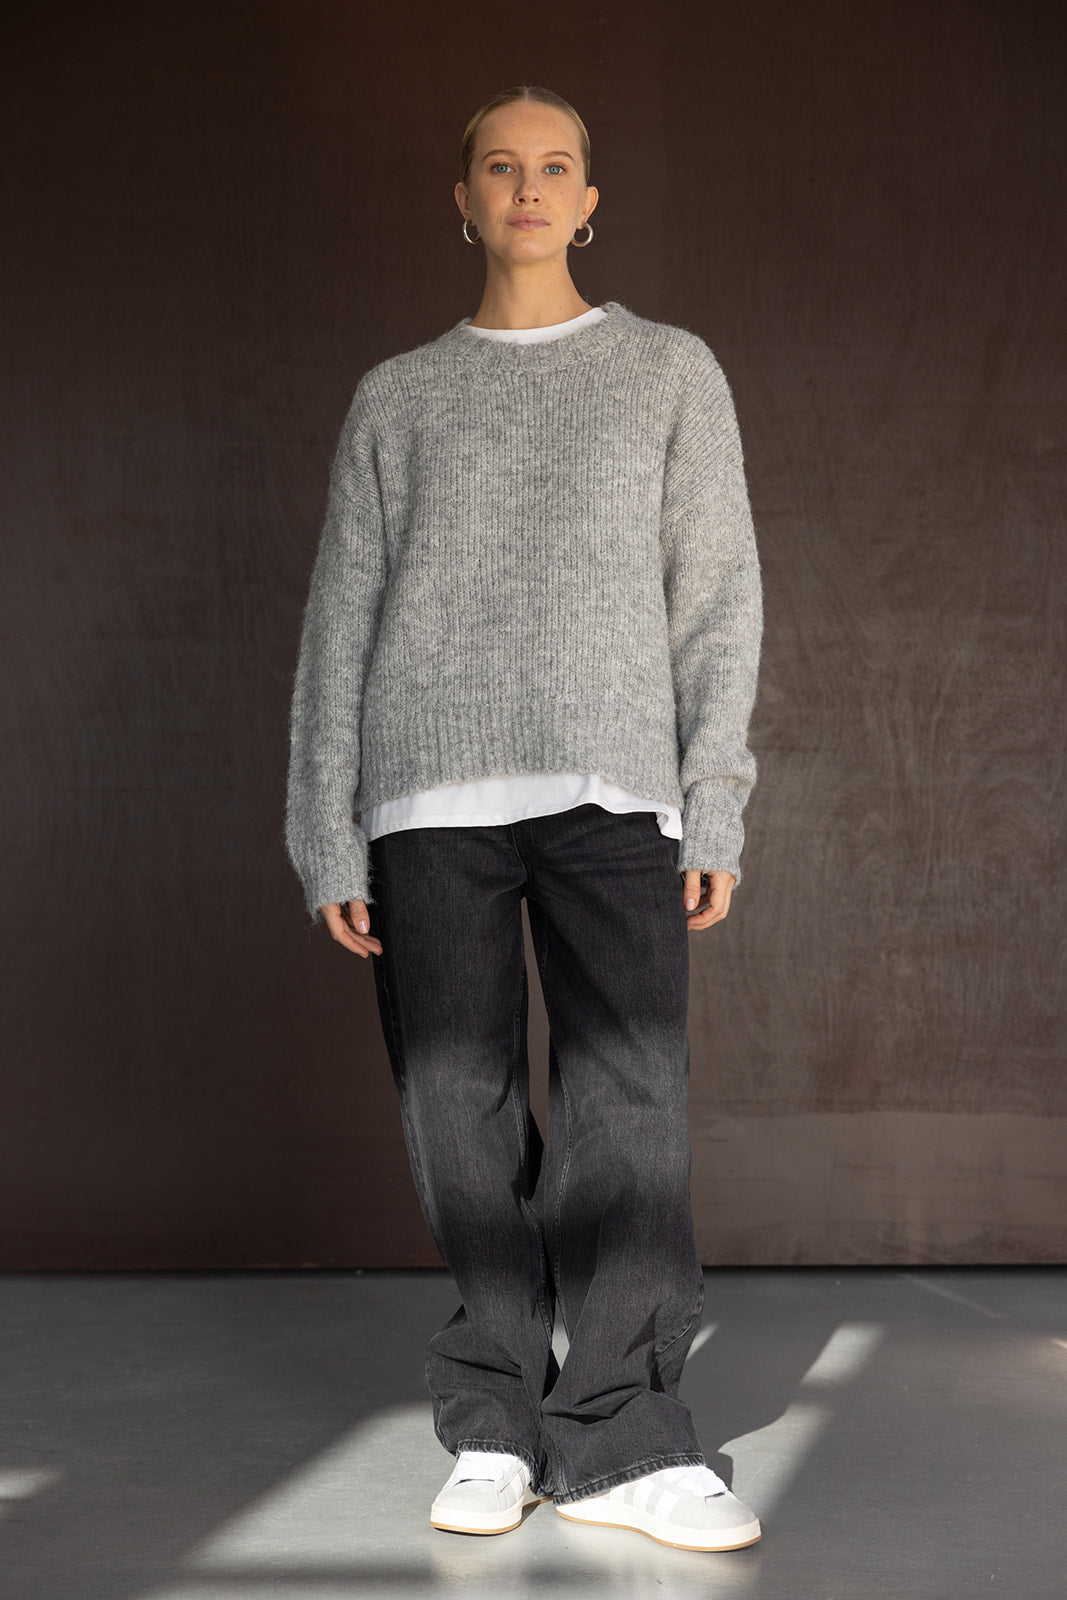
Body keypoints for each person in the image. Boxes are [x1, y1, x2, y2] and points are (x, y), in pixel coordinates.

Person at [285, 84, 764, 1554]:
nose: (530, 186)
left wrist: (715, 798)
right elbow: (341, 619)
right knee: (457, 1109)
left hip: (616, 788)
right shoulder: (398, 395)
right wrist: (325, 827)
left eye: (556, 165)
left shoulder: (670, 371)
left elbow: (716, 596)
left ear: (590, 200)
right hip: (427, 798)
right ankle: (495, 1413)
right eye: (502, 166)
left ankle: (621, 1433)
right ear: (466, 199)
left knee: (631, 1107)